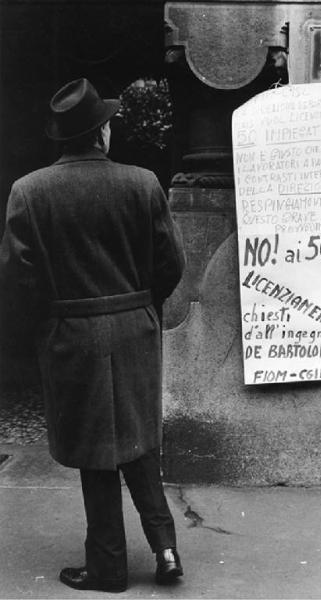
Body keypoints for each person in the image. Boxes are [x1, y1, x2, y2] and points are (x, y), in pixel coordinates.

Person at [0, 78, 186, 593]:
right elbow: (171, 263)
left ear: (63, 137)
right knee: (137, 439)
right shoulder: (143, 183)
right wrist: (141, 307)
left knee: (94, 450)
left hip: (71, 332)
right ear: (101, 133)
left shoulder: (29, 191)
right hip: (133, 328)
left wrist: (51, 319)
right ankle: (165, 547)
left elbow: (17, 277)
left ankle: (107, 566)